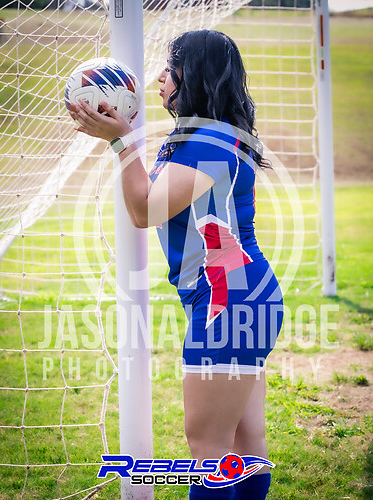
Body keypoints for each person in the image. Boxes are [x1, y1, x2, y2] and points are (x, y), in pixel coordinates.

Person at [71, 29, 283, 500]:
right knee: (245, 447)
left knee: (209, 450)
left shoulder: (206, 142)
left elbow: (144, 210)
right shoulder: (210, 135)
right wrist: (123, 134)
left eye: (170, 68)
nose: (160, 78)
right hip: (246, 295)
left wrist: (122, 142)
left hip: (228, 301)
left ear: (195, 75)